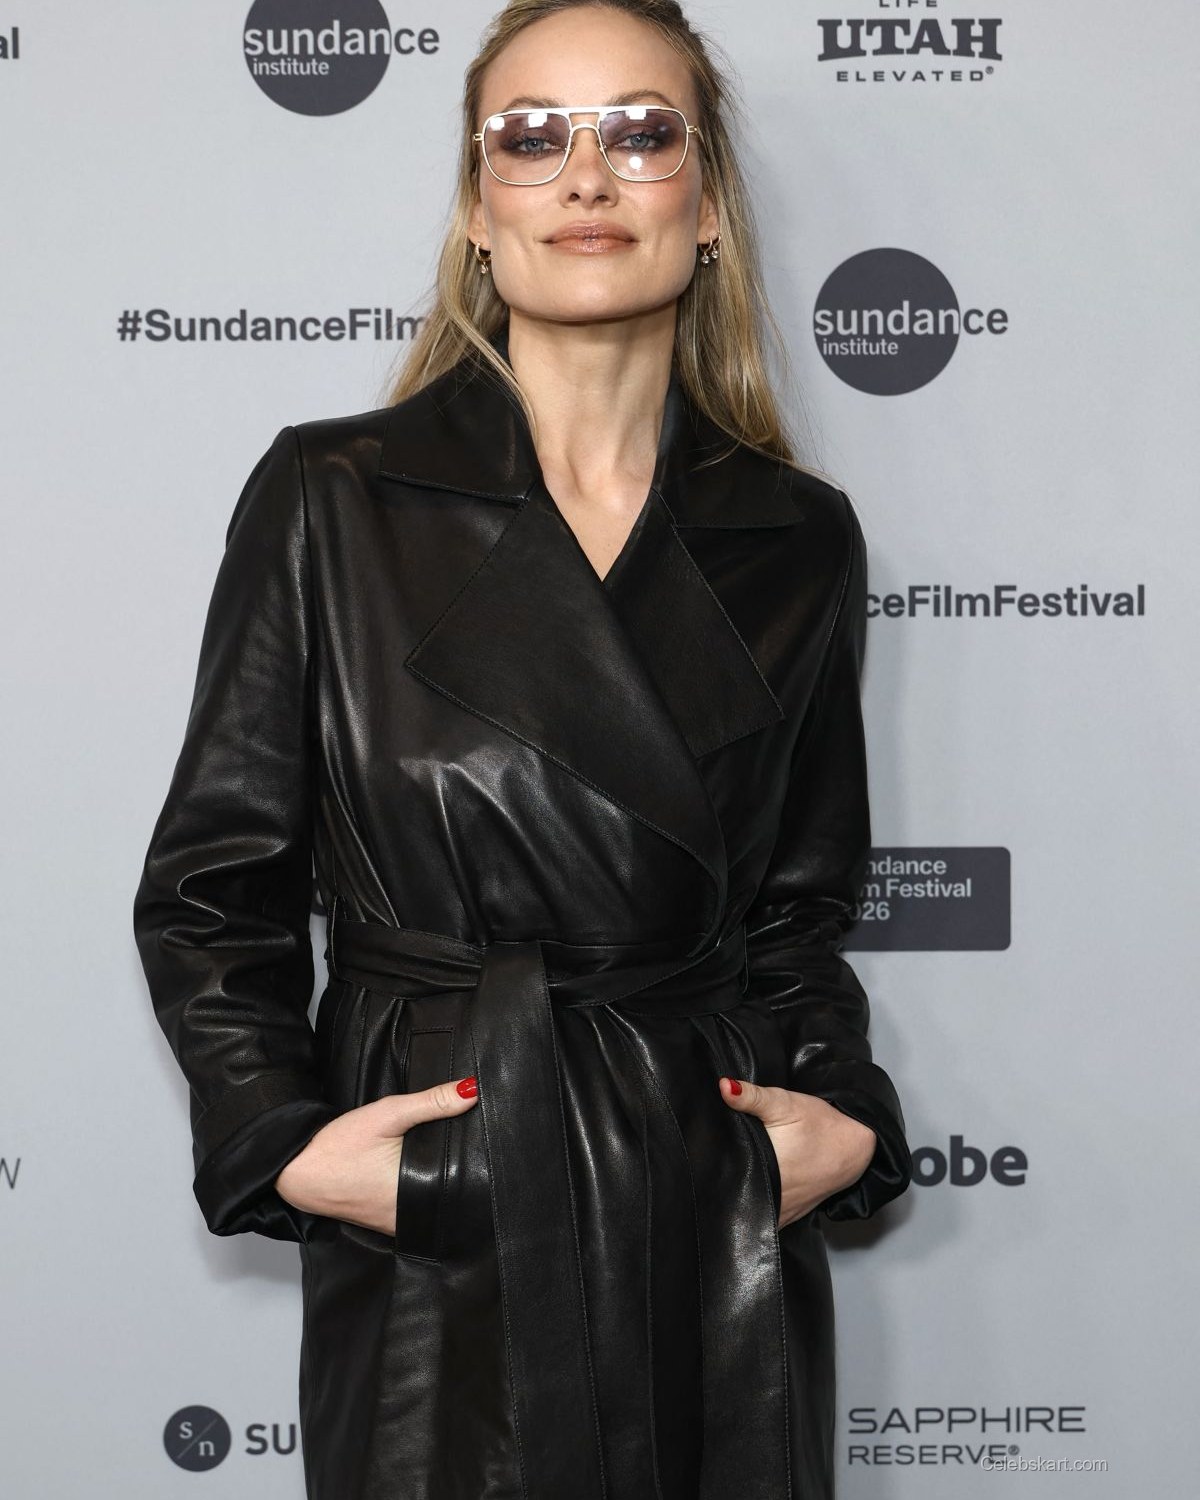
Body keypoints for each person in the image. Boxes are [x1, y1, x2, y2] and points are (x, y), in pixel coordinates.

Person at [131, 2, 913, 1497]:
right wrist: (288, 1142)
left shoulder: (799, 538)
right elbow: (211, 890)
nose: (586, 175)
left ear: (708, 206)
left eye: (642, 132)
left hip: (706, 1197)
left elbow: (797, 912)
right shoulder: (333, 500)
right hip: (454, 1176)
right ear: (480, 212)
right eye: (532, 136)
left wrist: (842, 1125)